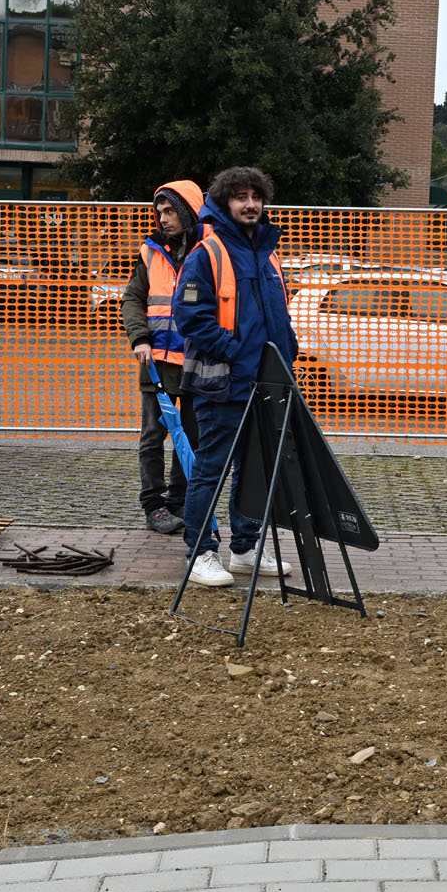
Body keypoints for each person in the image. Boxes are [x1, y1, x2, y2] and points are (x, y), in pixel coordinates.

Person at [173, 166, 300, 589]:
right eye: (240, 197)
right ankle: (201, 553)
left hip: (266, 383)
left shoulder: (268, 251)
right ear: (225, 202)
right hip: (223, 385)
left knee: (254, 471)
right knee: (211, 469)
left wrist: (289, 349)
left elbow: (274, 312)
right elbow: (189, 315)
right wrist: (233, 349)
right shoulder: (207, 253)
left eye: (255, 197)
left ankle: (245, 549)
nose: (250, 204)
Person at [121, 180, 205, 534]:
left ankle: (178, 504)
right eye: (159, 212)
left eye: (170, 211)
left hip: (195, 363)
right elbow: (132, 299)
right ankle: (154, 506)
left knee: (189, 437)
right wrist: (139, 338)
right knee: (153, 436)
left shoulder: (209, 252)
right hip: (155, 362)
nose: (163, 218)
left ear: (186, 211)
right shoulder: (150, 252)